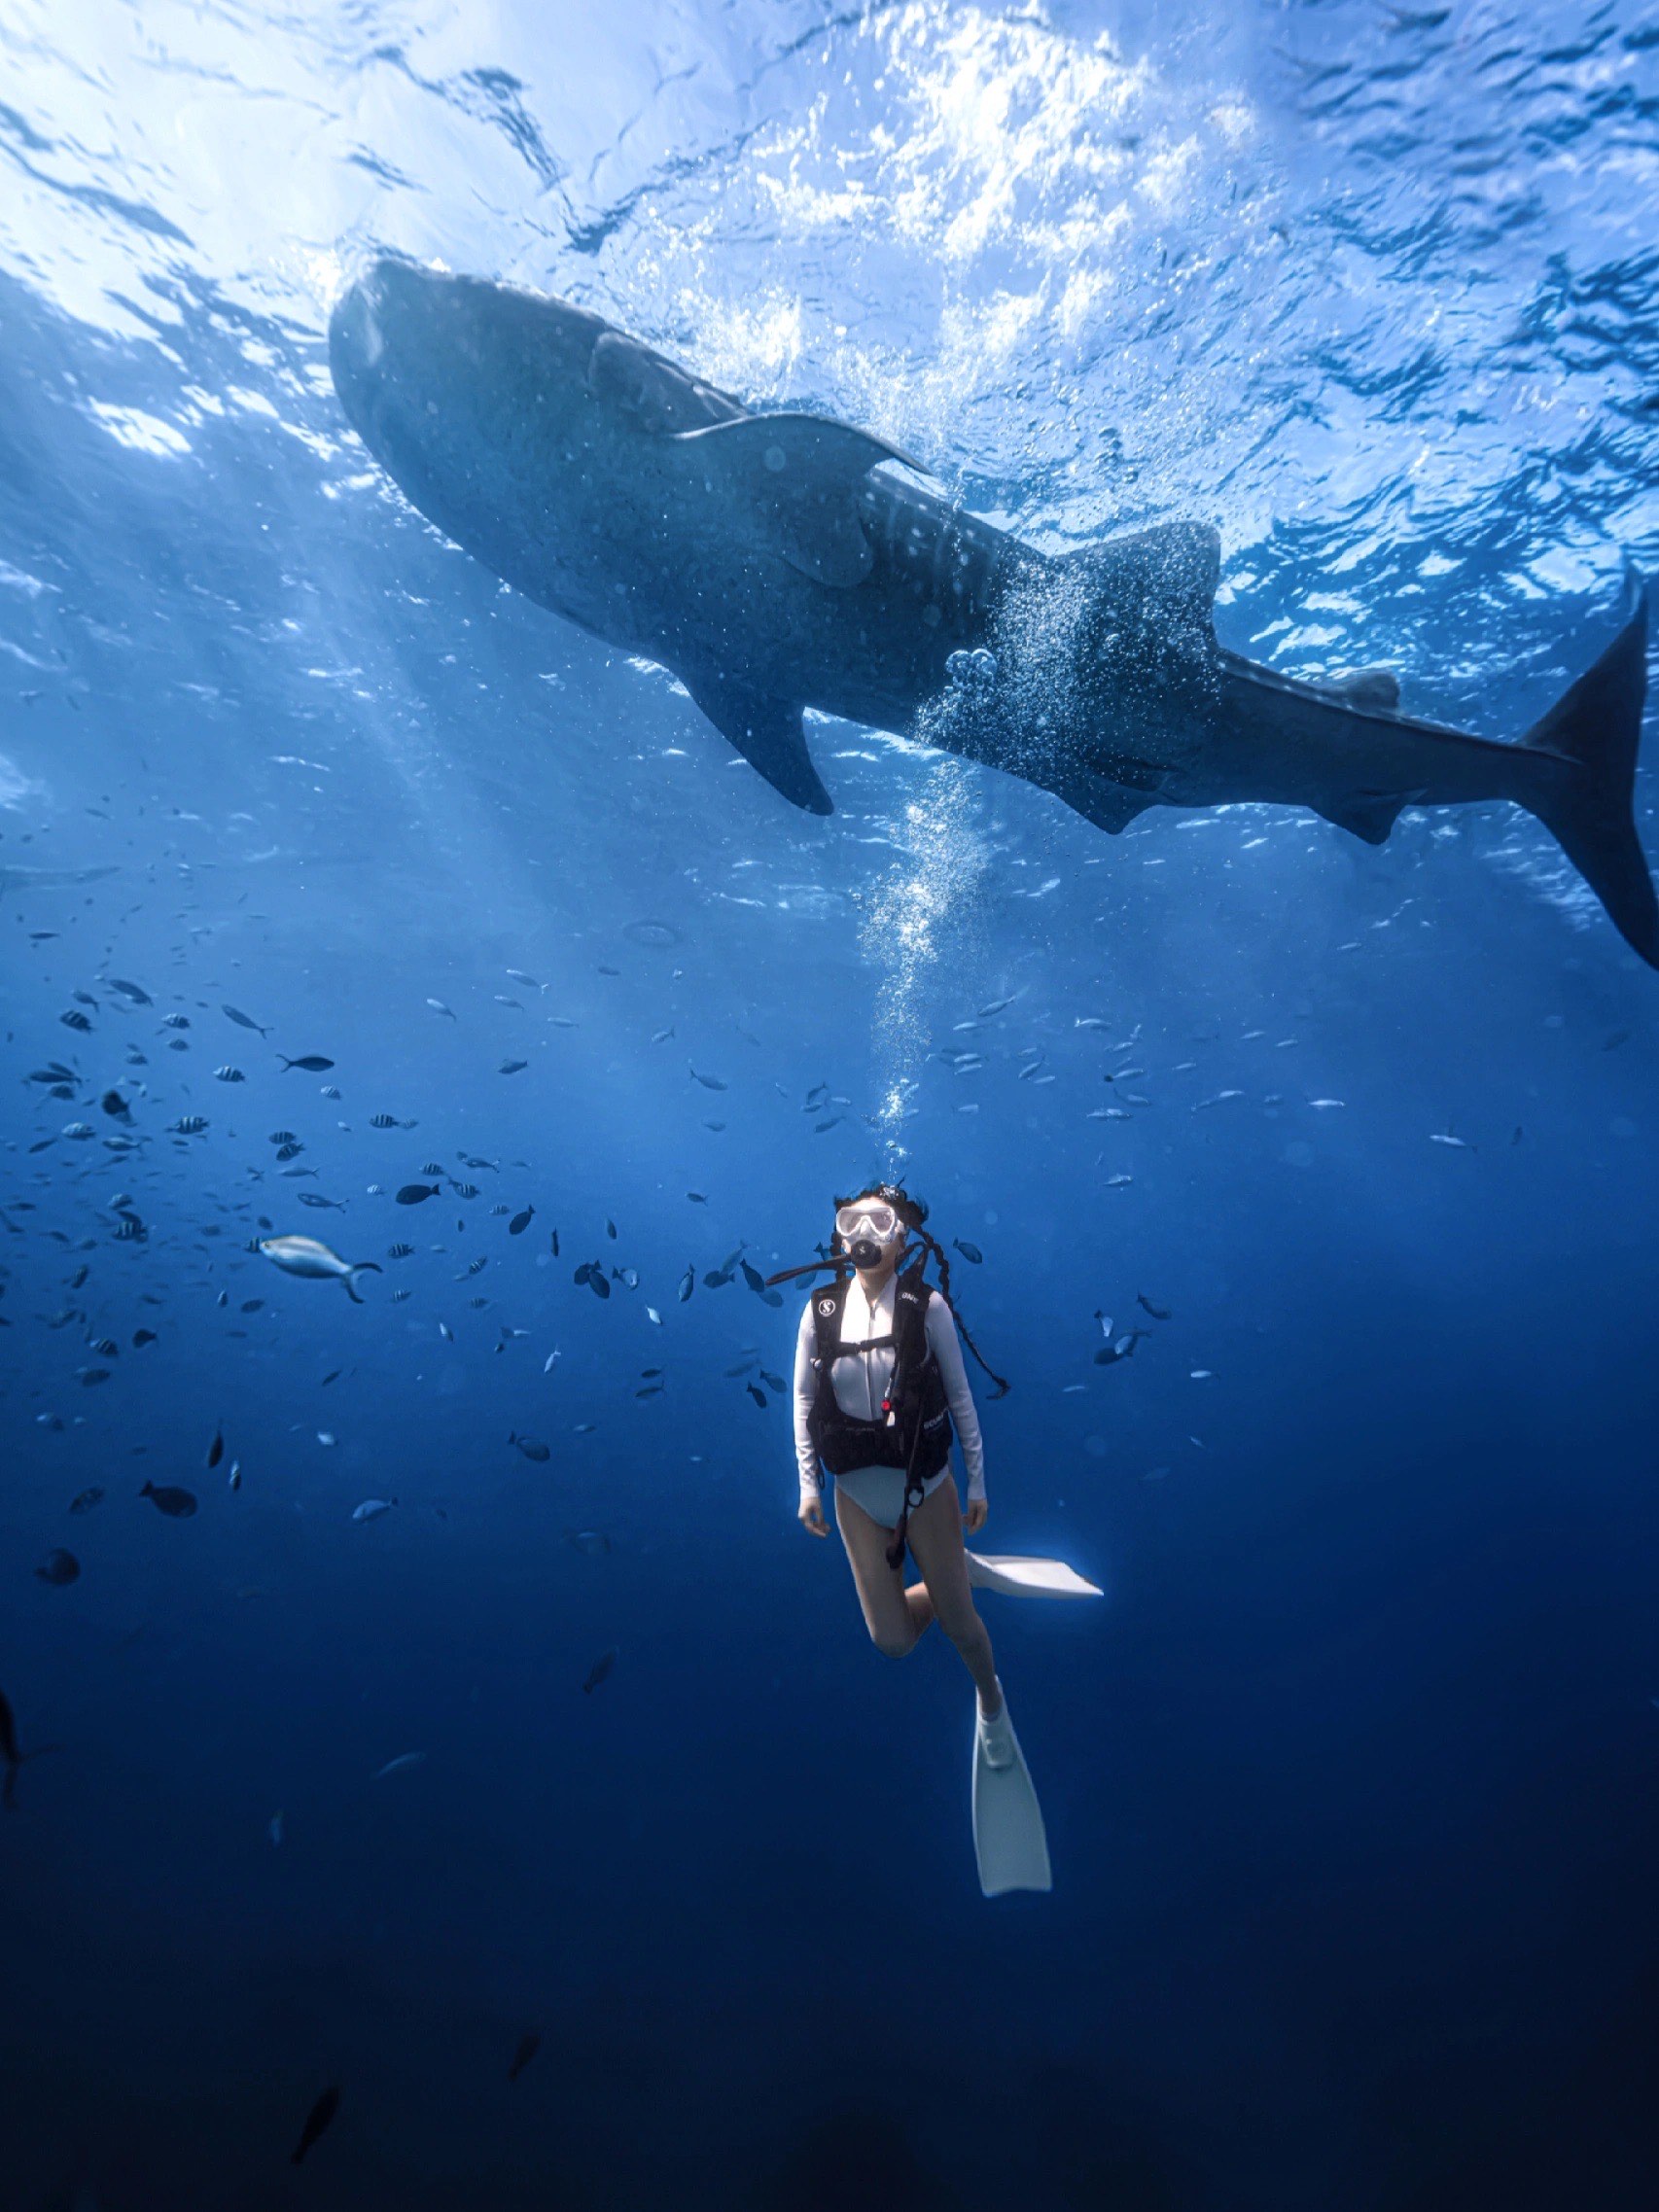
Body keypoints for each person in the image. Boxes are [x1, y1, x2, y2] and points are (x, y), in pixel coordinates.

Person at [792, 1183, 1008, 1733]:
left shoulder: (926, 1307)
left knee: (962, 1629)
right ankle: (955, 1576)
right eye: (851, 1221)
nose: (864, 1235)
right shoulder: (818, 1311)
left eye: (879, 1223)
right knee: (891, 1642)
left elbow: (960, 1396)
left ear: (902, 1237)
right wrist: (808, 1486)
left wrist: (978, 1483)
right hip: (855, 1500)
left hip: (925, 1488)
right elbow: (801, 1399)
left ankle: (992, 1702)